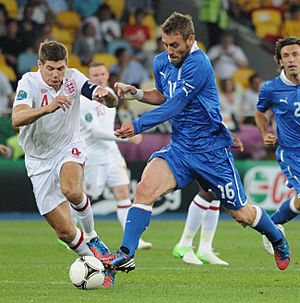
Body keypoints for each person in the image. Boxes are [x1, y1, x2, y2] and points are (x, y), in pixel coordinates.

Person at [99, 12, 290, 273]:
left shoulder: (199, 65)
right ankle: (126, 254)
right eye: (165, 44)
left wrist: (138, 124)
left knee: (242, 214)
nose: (168, 51)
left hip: (211, 152)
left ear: (190, 39)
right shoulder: (161, 62)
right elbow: (164, 94)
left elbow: (177, 103)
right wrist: (139, 94)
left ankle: (277, 238)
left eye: (174, 45)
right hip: (180, 148)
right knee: (145, 189)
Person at [11, 40, 118, 288]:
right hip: (37, 160)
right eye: (50, 68)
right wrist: (48, 108)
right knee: (65, 232)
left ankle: (93, 236)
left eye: (60, 68)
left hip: (68, 145)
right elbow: (17, 117)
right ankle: (101, 265)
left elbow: (105, 99)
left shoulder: (73, 78)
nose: (56, 74)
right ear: (40, 65)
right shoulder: (28, 82)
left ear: (67, 65)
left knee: (71, 189)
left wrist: (107, 97)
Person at [79, 61, 152, 250]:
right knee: (86, 196)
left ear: (107, 75)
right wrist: (126, 139)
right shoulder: (85, 100)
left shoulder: (110, 94)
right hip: (94, 155)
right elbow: (95, 132)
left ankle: (133, 238)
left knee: (123, 193)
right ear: (89, 78)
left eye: (102, 74)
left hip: (112, 153)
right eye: (95, 76)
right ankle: (71, 231)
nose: (100, 78)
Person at [255, 36, 300, 254]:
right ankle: (272, 230)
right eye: (286, 56)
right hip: (292, 154)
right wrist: (265, 133)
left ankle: (270, 227)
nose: (292, 59)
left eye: (296, 54)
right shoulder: (271, 89)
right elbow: (260, 112)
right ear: (280, 61)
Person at [172, 133, 244, 266]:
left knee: (215, 194)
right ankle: (184, 244)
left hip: (209, 147)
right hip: (196, 147)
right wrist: (229, 135)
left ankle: (205, 248)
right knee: (207, 192)